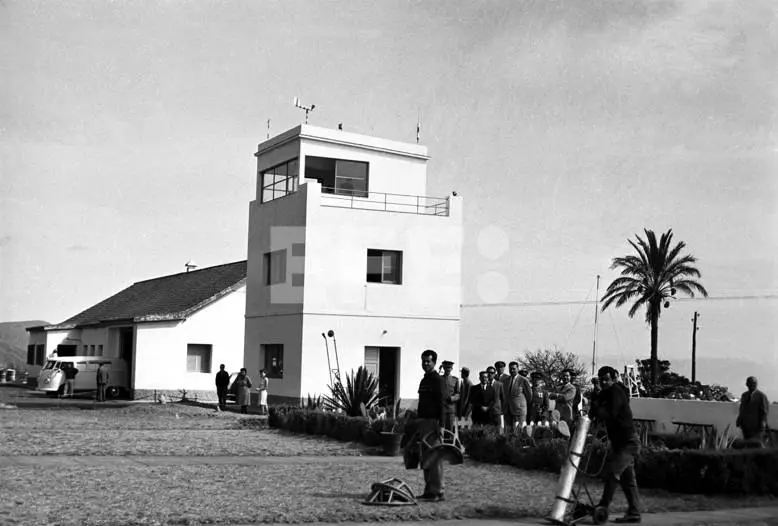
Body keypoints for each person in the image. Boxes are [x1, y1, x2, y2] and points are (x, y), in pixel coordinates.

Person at [590, 365, 641, 523]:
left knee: (613, 473)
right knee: (628, 480)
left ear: (614, 378)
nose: (604, 382)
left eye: (607, 379)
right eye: (601, 380)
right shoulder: (604, 393)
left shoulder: (617, 392)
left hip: (628, 442)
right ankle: (634, 512)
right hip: (619, 443)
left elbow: (609, 414)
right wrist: (596, 395)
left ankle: (603, 506)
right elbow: (594, 411)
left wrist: (598, 403)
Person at [411, 349, 447, 502]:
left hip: (434, 423)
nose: (425, 364)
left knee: (435, 457)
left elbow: (443, 403)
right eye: (423, 361)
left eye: (428, 361)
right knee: (425, 457)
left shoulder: (438, 380)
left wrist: (441, 425)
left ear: (434, 363)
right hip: (424, 422)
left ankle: (438, 491)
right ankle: (429, 490)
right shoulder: (424, 380)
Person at [736, 376, 770, 443]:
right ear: (747, 384)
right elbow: (742, 408)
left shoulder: (761, 396)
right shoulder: (744, 395)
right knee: (747, 443)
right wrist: (739, 419)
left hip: (756, 427)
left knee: (755, 444)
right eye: (751, 383)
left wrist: (763, 425)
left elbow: (764, 412)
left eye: (754, 383)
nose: (753, 384)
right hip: (745, 426)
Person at [504, 361, 532, 432]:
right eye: (510, 369)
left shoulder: (523, 380)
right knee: (508, 431)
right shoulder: (506, 380)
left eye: (514, 368)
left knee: (520, 431)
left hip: (520, 410)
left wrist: (522, 406)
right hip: (508, 409)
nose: (512, 370)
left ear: (518, 369)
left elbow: (529, 396)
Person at [440, 360, 460, 431]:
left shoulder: (455, 380)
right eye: (446, 367)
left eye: (449, 368)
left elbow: (458, 394)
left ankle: (450, 441)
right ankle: (439, 442)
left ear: (452, 369)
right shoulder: (439, 379)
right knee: (440, 429)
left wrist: (453, 398)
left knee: (449, 430)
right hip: (441, 408)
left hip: (450, 408)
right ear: (444, 368)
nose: (448, 369)